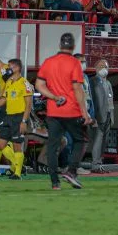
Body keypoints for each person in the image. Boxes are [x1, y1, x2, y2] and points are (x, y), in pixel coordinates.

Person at [33, 32, 92, 190]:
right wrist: (85, 113)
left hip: (53, 111)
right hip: (72, 111)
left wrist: (53, 97)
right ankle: (71, 172)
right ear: (73, 47)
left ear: (60, 45)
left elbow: (39, 85)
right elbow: (77, 89)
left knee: (52, 145)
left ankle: (54, 183)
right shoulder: (74, 64)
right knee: (81, 140)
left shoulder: (49, 62)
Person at [0, 58, 31, 180]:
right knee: (2, 141)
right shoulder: (9, 79)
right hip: (8, 109)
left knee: (4, 139)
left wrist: (24, 121)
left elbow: (28, 103)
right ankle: (13, 167)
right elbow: (5, 94)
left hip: (14, 113)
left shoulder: (6, 72)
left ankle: (11, 168)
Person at [88, 58, 114, 173]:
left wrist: (112, 115)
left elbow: (111, 100)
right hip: (98, 116)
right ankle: (95, 165)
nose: (104, 68)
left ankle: (99, 163)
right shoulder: (92, 81)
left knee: (105, 140)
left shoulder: (108, 83)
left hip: (108, 115)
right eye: (101, 66)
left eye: (106, 66)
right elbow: (93, 100)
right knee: (97, 140)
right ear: (96, 68)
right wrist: (93, 116)